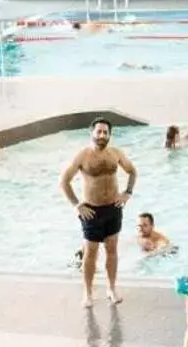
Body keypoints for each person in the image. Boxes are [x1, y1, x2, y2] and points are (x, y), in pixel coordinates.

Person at [59, 119, 137, 307]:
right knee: (90, 253)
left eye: (105, 132)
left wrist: (127, 193)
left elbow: (132, 171)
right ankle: (88, 293)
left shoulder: (115, 153)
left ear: (110, 134)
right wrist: (77, 205)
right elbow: (64, 181)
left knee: (112, 250)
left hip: (113, 208)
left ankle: (111, 288)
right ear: (92, 133)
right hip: (91, 212)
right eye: (99, 132)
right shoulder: (83, 156)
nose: (102, 135)